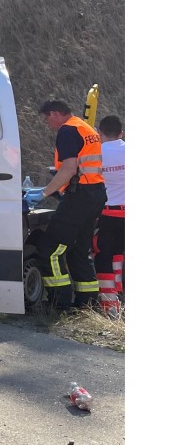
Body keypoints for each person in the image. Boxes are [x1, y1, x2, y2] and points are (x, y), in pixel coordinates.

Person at [35, 100, 107, 311]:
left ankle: (60, 302)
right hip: (95, 194)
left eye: (47, 119)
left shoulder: (67, 130)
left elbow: (68, 169)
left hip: (80, 196)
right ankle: (87, 302)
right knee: (78, 249)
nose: (48, 124)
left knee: (49, 249)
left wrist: (43, 192)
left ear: (55, 113)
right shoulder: (85, 127)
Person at [93, 115, 125, 315]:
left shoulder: (96, 153)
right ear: (121, 133)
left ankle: (109, 305)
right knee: (119, 255)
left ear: (99, 133)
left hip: (107, 213)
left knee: (103, 256)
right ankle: (120, 294)